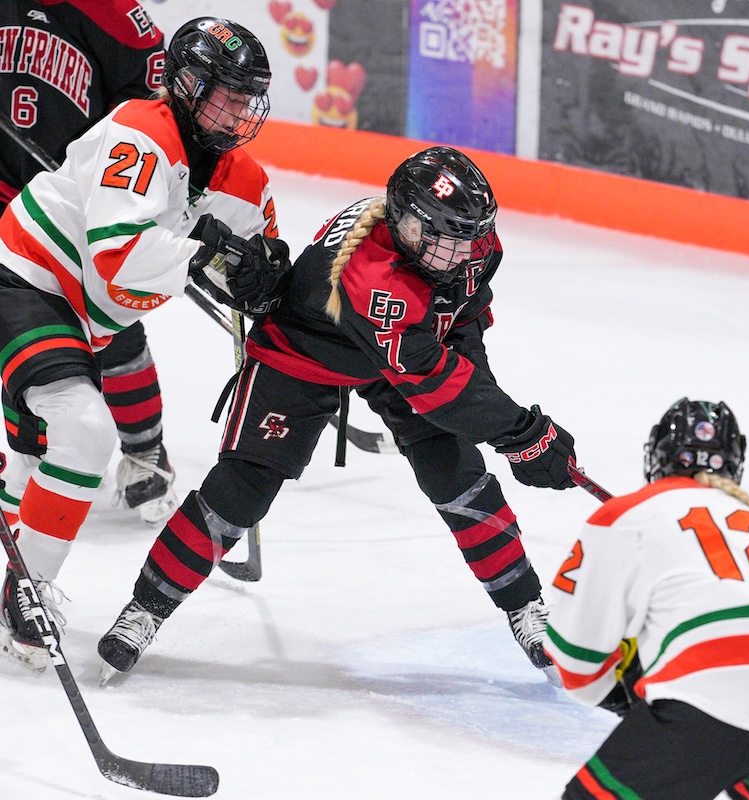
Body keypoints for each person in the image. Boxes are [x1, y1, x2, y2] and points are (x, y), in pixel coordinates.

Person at [95, 145, 579, 687]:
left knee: (456, 473)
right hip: (304, 352)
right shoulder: (374, 279)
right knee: (243, 488)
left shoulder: (466, 242)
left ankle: (525, 606)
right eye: (444, 241)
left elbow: (461, 327)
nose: (459, 253)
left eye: (467, 238)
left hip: (399, 352)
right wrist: (521, 432)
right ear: (405, 224)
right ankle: (146, 608)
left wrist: (507, 423)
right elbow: (436, 385)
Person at [0, 16, 287, 670]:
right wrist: (209, 251)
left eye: (248, 100)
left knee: (33, 468)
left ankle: (22, 547)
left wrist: (267, 282)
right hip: (25, 276)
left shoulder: (246, 183)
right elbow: (118, 256)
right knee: (82, 431)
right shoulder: (140, 131)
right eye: (225, 95)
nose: (238, 112)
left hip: (82, 315)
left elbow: (269, 268)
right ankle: (26, 591)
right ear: (186, 86)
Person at [545, 398, 749, 800]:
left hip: (719, 693)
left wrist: (638, 696)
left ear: (657, 457)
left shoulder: (623, 514)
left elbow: (577, 660)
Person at [0, 0, 182, 527]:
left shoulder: (117, 15)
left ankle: (146, 454)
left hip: (74, 199)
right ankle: (30, 454)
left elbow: (154, 112)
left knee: (108, 328)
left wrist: (101, 167)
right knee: (16, 326)